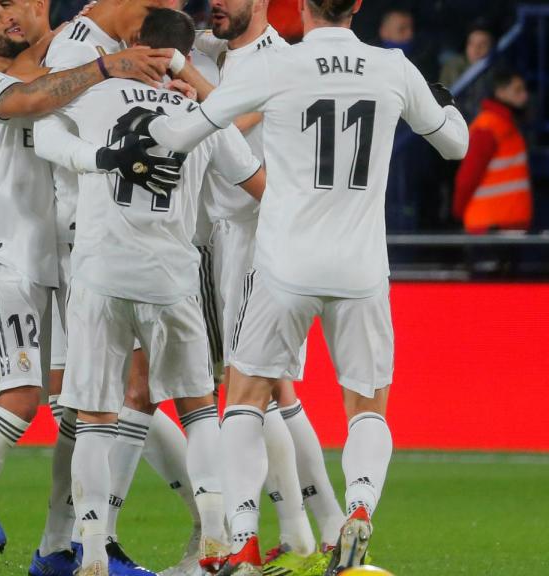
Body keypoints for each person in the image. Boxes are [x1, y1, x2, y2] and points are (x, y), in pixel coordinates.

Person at [129, 0, 469, 573]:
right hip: (361, 267)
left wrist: (160, 114)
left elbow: (184, 134)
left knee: (245, 399)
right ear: (357, 6)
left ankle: (240, 538)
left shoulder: (279, 65)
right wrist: (442, 102)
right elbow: (455, 143)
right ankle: (357, 509)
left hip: (284, 265)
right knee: (367, 407)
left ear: (302, 5)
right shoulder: (393, 67)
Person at [0, 0, 174, 573]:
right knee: (12, 395)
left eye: (13, 7)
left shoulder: (48, 65)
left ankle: (27, 537)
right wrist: (110, 66)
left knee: (71, 401)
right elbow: (34, 97)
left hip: (40, 263)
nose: (10, 15)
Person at [39, 9, 264, 576]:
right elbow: (258, 184)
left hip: (99, 275)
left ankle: (90, 553)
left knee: (93, 418)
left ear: (136, 43)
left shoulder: (95, 96)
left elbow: (41, 128)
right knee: (197, 410)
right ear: (186, 54)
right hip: (172, 279)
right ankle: (217, 540)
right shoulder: (202, 113)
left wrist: (92, 160)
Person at [194, 1, 345, 572]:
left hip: (266, 235)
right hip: (225, 237)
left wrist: (185, 79)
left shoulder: (279, 62)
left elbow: (225, 126)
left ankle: (291, 532)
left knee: (251, 386)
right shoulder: (212, 51)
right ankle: (312, 533)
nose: (217, 4)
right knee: (271, 386)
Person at [453, 68, 531, 234]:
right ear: (501, 92)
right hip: (490, 227)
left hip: (503, 223)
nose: (525, 96)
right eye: (517, 90)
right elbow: (468, 177)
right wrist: (458, 212)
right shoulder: (488, 127)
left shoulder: (506, 125)